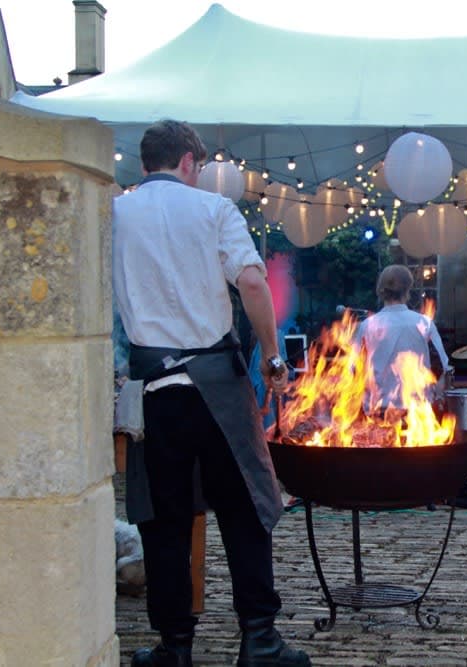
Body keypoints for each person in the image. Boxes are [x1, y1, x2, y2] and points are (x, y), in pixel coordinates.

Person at [113, 120, 310, 667]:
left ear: (146, 162)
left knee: (164, 522)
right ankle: (260, 641)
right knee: (245, 510)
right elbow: (250, 282)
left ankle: (174, 649)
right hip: (218, 388)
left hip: (153, 393)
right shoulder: (214, 210)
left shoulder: (115, 214)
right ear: (189, 162)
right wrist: (272, 357)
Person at [353, 264, 451, 411]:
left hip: (377, 414)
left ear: (381, 290)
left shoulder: (366, 326)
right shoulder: (424, 323)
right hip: (419, 416)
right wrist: (438, 395)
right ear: (407, 290)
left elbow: (352, 369)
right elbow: (447, 369)